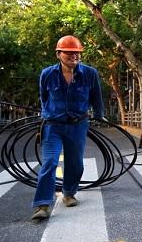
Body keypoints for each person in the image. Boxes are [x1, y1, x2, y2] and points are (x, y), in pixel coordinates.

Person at [31, 35, 105, 221]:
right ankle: (42, 204)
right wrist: (47, 114)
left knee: (75, 162)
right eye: (69, 53)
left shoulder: (89, 73)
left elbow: (96, 97)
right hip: (53, 126)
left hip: (77, 125)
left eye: (77, 53)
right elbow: (44, 97)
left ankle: (69, 193)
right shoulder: (47, 74)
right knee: (49, 163)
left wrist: (98, 115)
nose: (74, 56)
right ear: (58, 54)